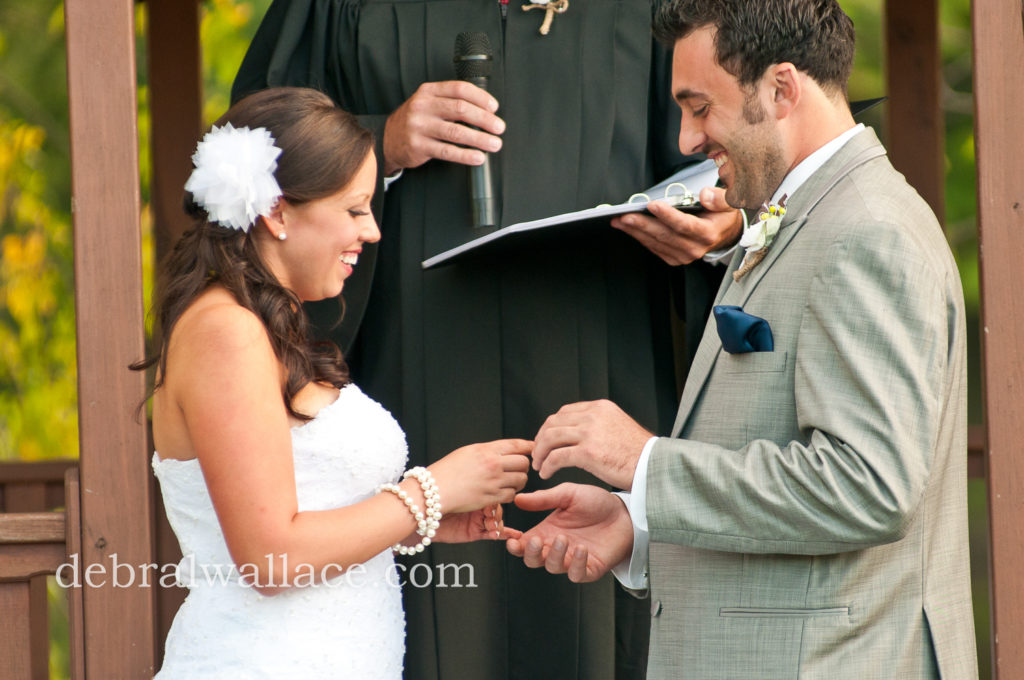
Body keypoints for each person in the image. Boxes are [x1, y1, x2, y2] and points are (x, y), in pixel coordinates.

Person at [231, 2, 744, 678]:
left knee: (598, 609)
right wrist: (377, 141)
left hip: (605, 355)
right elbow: (248, 151)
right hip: (416, 364)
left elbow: (763, 133)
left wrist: (726, 230)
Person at [507, 0, 979, 677]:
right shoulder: (800, 215)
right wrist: (641, 523)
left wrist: (646, 463)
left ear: (782, 89)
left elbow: (867, 486)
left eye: (699, 107)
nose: (685, 140)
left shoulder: (867, 231)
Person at [135, 87, 531, 678]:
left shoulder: (266, 327)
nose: (371, 232)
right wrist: (429, 492)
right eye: (354, 209)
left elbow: (294, 511)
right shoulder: (226, 333)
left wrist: (411, 526)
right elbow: (270, 559)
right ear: (276, 211)